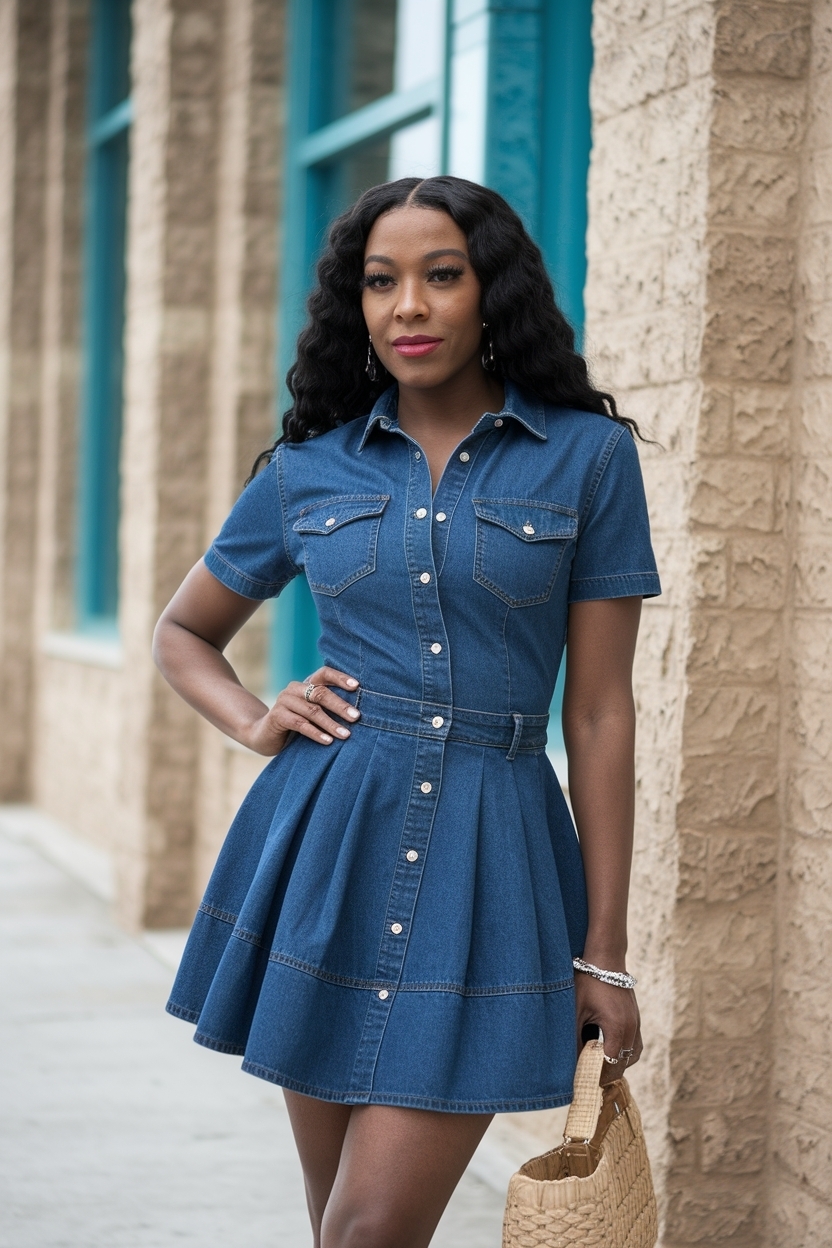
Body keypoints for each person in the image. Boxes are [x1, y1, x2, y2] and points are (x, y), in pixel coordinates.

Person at [153, 175, 661, 1248]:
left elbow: (602, 715)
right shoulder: (307, 471)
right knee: (339, 1225)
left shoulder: (586, 459)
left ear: (492, 295)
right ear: (357, 305)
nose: (409, 308)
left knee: (369, 1227)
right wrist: (256, 719)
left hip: (494, 866)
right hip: (326, 852)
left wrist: (603, 949)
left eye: (442, 276)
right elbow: (183, 633)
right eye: (382, 283)